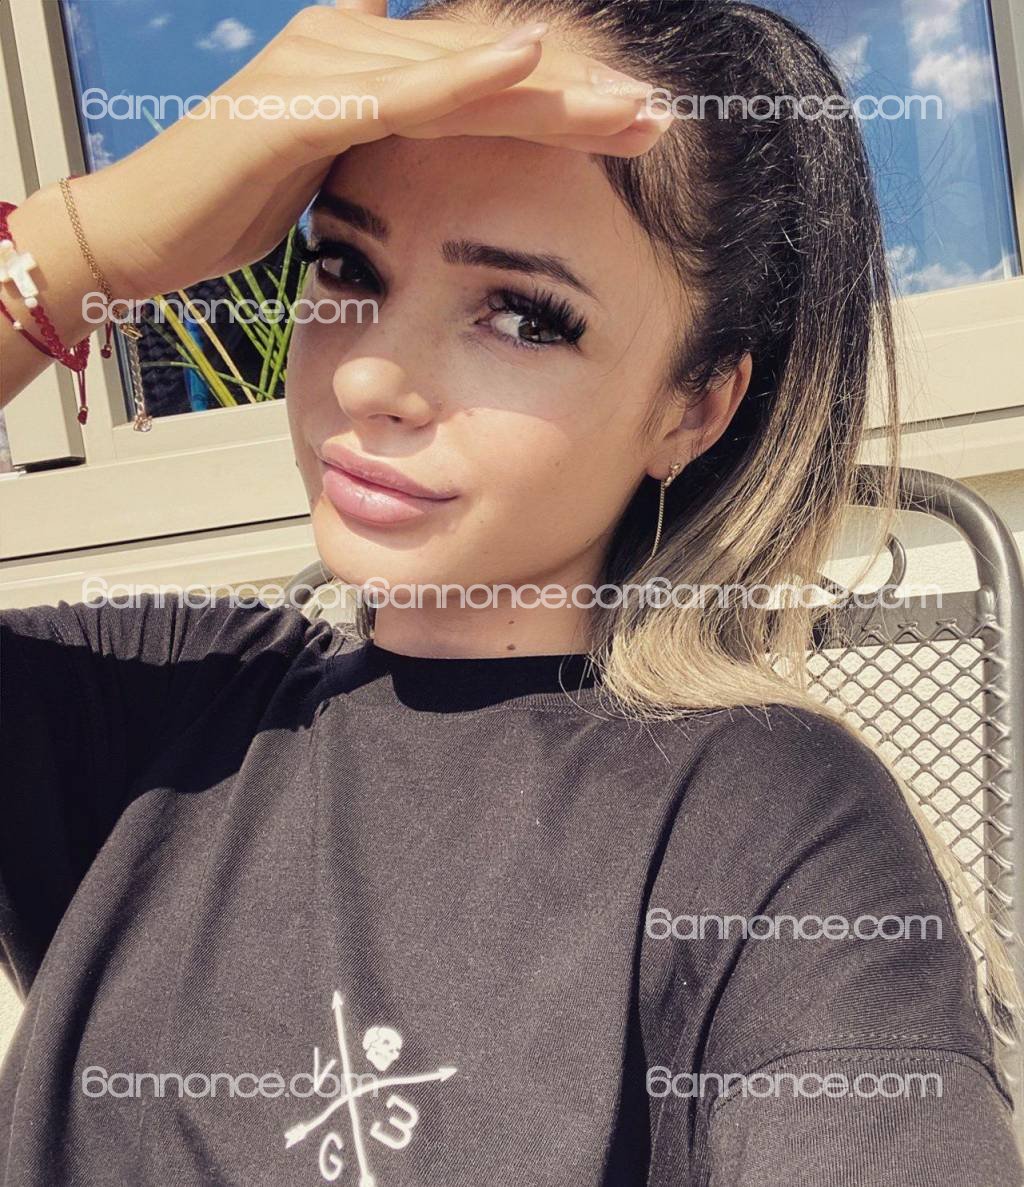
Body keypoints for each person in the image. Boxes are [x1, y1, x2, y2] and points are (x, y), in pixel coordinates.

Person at [1, 2, 1021, 1184]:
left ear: (692, 407)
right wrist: (86, 249)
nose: (371, 375)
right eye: (346, 265)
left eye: (525, 315)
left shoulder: (770, 830)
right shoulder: (156, 708)